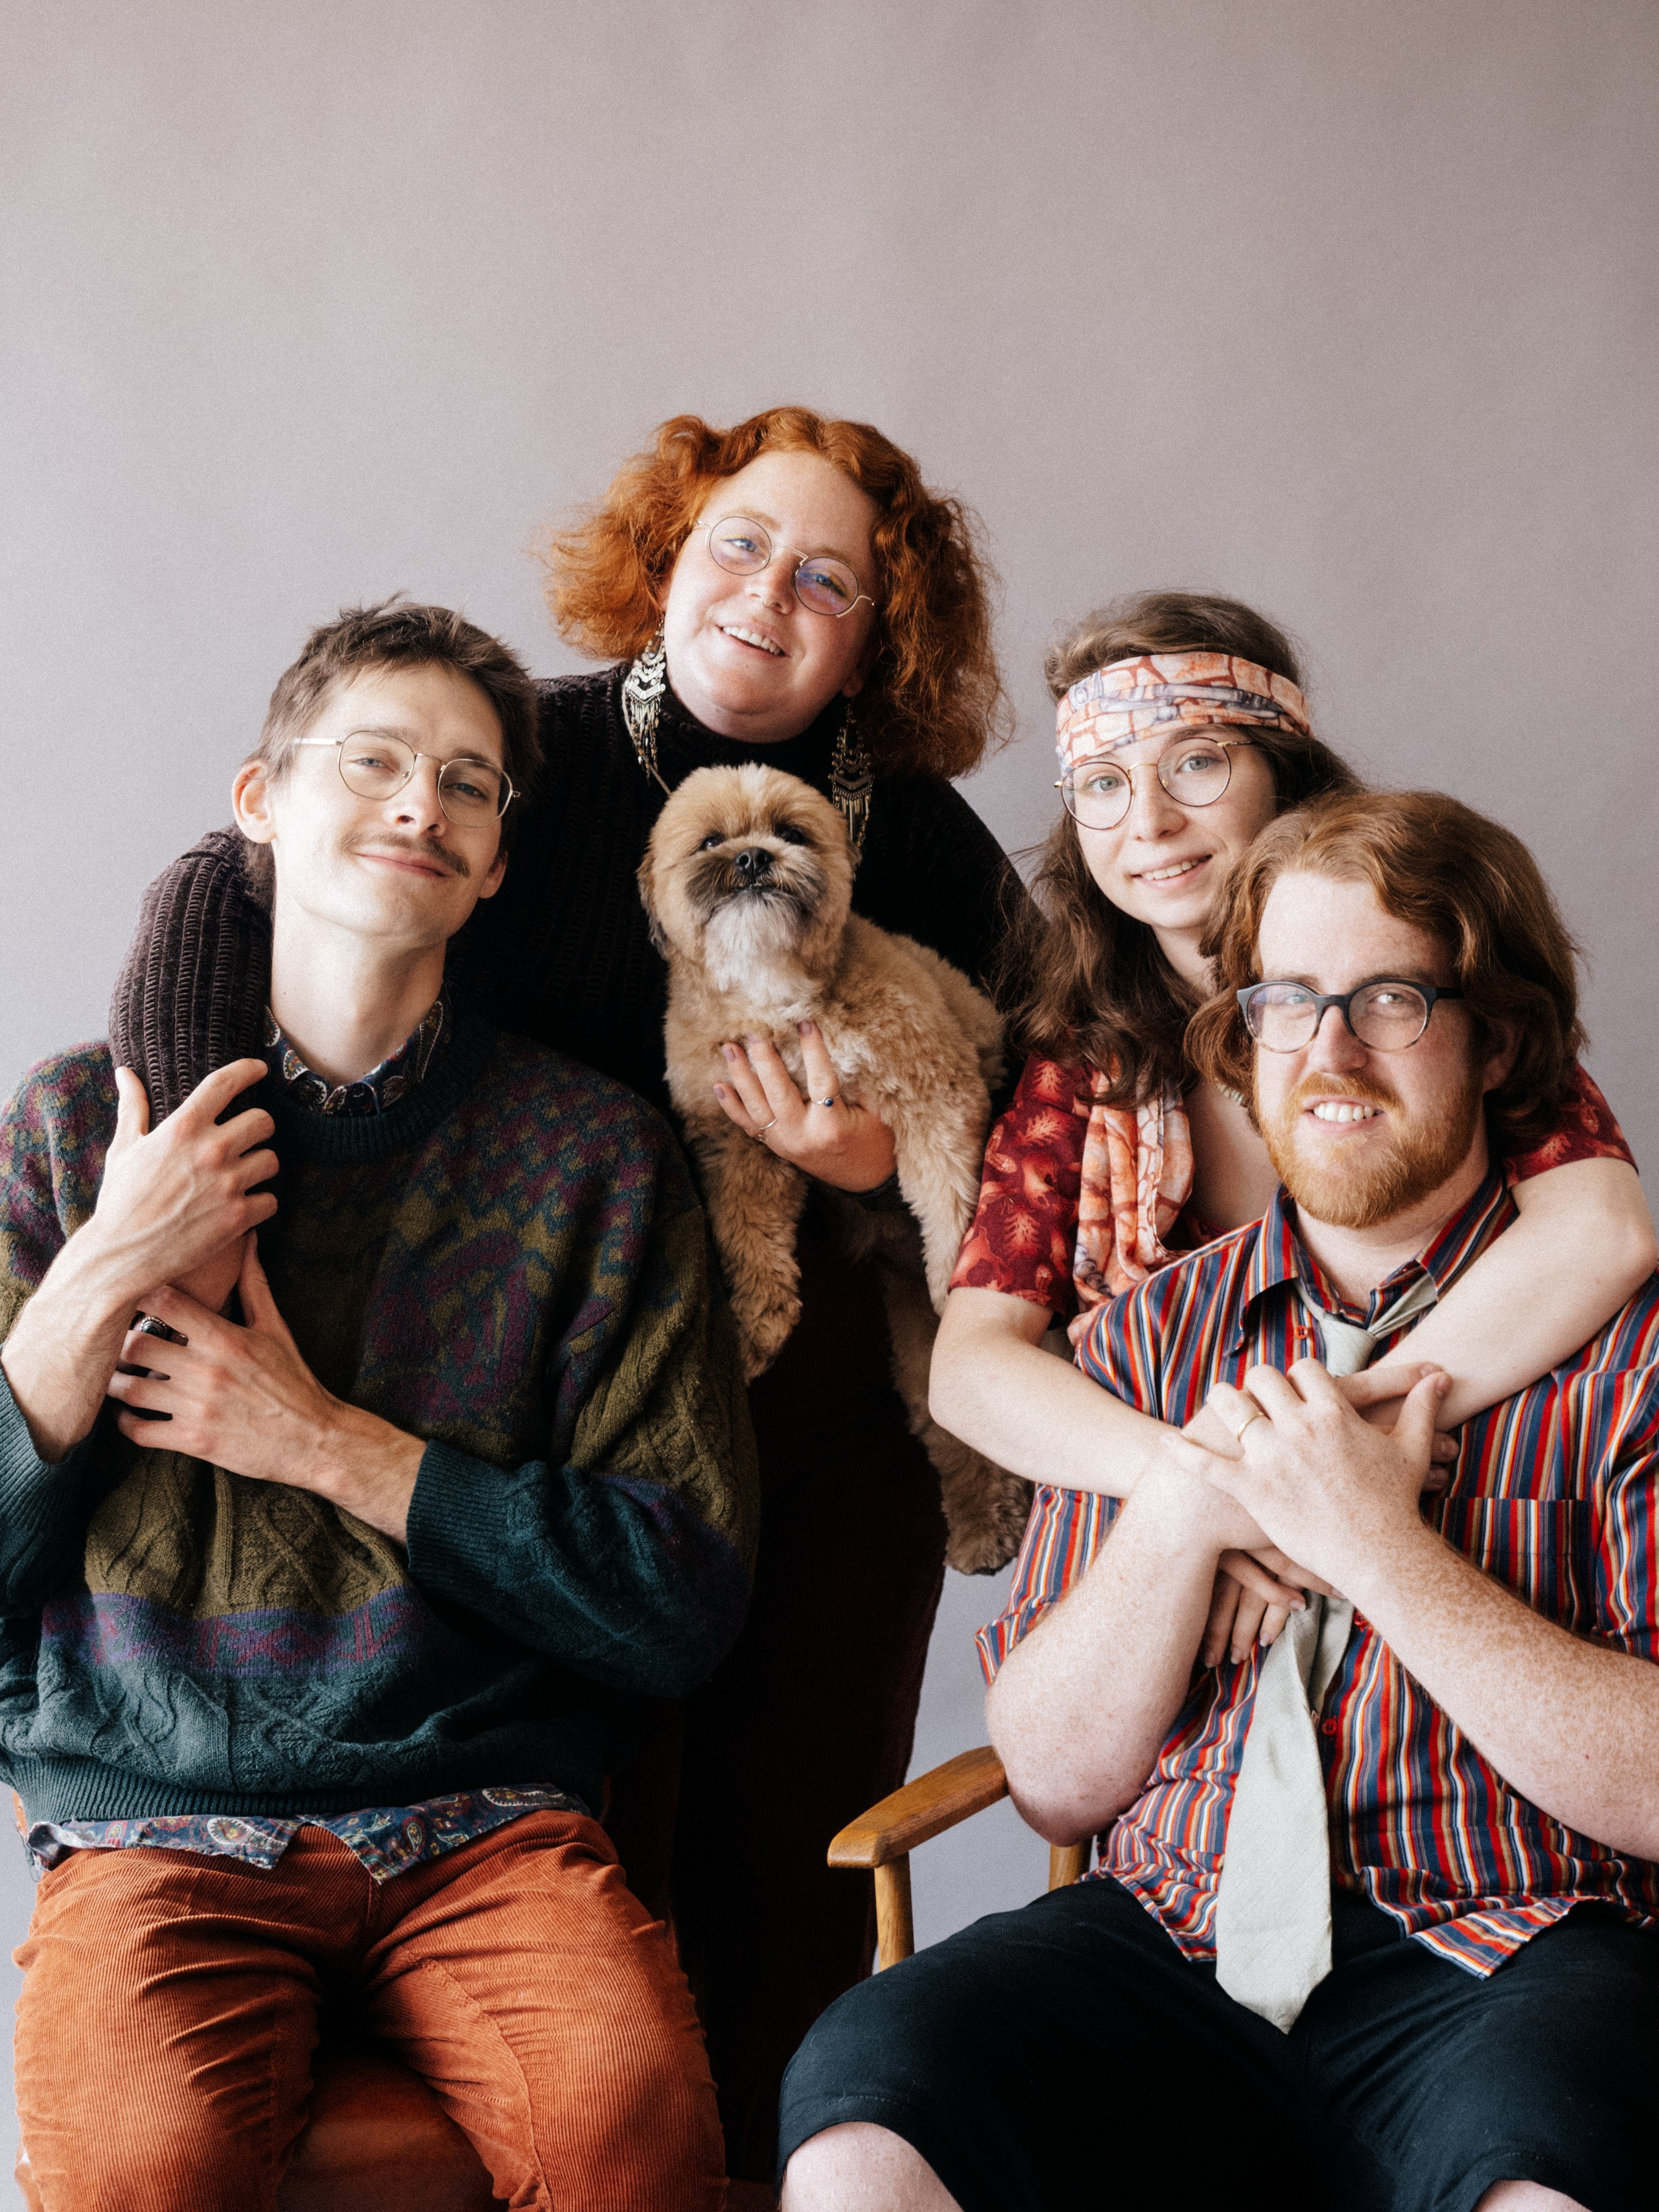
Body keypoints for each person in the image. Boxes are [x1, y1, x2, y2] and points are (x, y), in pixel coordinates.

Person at [102, 408, 1023, 2178]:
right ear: (670, 552)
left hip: (813, 1402)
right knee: (579, 1830)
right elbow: (226, 881)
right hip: (550, 1363)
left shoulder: (920, 839)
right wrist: (191, 1184)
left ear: (878, 630)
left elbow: (1021, 1124)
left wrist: (873, 1189)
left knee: (787, 1859)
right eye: (741, 544)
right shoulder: (515, 749)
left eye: (829, 578)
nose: (771, 596)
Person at [780, 788, 1659, 2212]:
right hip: (1167, 1944)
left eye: (1386, 998)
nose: (1326, 1051)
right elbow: (1058, 1779)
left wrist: (1370, 1543)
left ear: (1495, 1039)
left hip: (1512, 1950)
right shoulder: (1137, 1348)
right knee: (869, 2103)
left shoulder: (1630, 1348)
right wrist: (1186, 1508)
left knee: (1551, 2168)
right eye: (1283, 1001)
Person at [0, 602, 757, 2210]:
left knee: (631, 2134)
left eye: (467, 786)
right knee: (139, 2169)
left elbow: (673, 1594)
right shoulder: (76, 1124)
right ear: (261, 798)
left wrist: (322, 1445)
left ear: (492, 869)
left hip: (479, 1817)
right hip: (160, 1820)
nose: (421, 804)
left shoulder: (592, 1159)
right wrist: (113, 1261)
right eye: (376, 762)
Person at [934, 592, 1654, 1663]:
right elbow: (972, 1364)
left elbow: (1604, 1234)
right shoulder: (1083, 1071)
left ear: (1286, 771)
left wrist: (1330, 1455)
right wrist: (1219, 1490)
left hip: (1477, 1529)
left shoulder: (1420, 995)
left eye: (1197, 762)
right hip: (1203, 1587)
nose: (1150, 822)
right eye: (1102, 783)